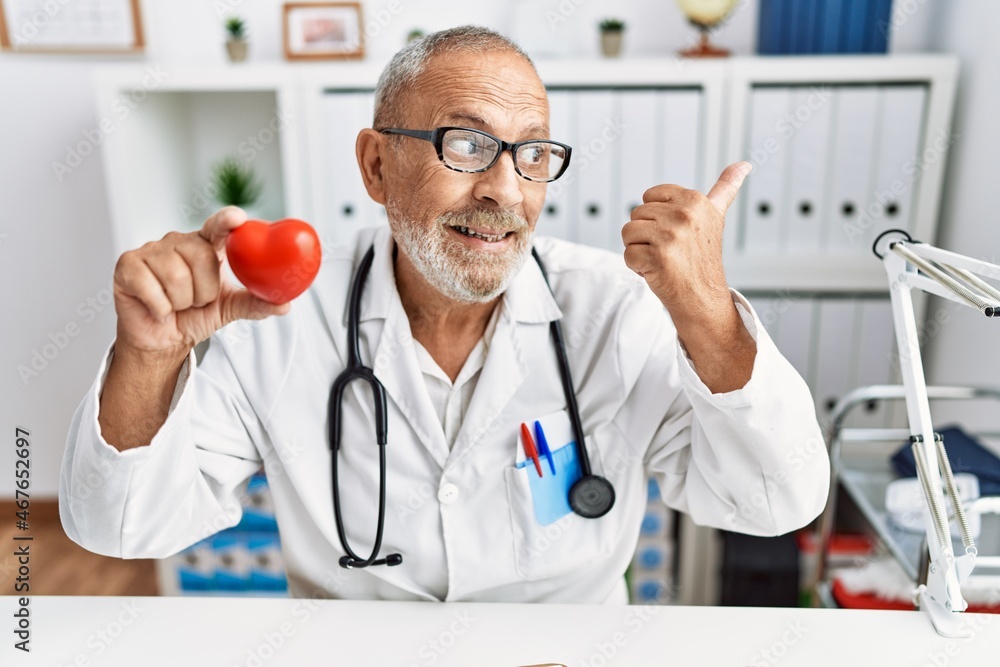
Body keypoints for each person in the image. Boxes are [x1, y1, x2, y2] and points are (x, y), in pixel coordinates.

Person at [60, 26, 829, 603]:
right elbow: (121, 529)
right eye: (466, 144)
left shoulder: (617, 310)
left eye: (532, 154)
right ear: (376, 164)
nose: (505, 190)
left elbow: (776, 500)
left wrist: (707, 314)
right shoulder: (286, 315)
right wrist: (151, 355)